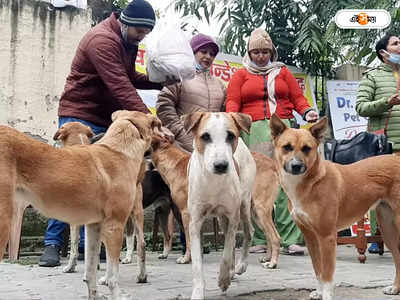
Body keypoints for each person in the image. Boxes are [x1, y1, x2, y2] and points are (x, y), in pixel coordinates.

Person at [39, 0, 171, 267]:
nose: (142, 37)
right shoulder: (102, 40)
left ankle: (90, 246)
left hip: (107, 117)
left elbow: (129, 76)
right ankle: (52, 244)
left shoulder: (127, 41)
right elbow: (120, 85)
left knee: (102, 184)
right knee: (67, 179)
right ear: (125, 22)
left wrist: (160, 81)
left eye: (146, 33)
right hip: (80, 112)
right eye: (139, 31)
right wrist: (151, 121)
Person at [225, 28, 318, 255]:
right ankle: (260, 236)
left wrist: (307, 113)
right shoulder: (240, 75)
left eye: (265, 52)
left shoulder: (283, 72)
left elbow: (298, 98)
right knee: (257, 184)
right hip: (253, 130)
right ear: (249, 52)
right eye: (255, 52)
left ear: (272, 52)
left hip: (284, 130)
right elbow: (232, 103)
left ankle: (291, 238)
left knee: (288, 181)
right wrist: (230, 126)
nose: (260, 56)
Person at [156, 33, 226, 252]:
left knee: (206, 193)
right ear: (193, 52)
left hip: (209, 150)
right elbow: (164, 106)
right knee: (183, 195)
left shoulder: (219, 85)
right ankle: (187, 240)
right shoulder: (180, 77)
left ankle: (197, 239)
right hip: (181, 146)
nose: (207, 57)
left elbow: (222, 116)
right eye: (203, 52)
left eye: (212, 54)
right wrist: (181, 133)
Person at [356, 33, 400, 254]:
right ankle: (378, 237)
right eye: (395, 43)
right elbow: (361, 107)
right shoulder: (372, 77)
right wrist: (387, 102)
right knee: (381, 192)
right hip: (386, 148)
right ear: (383, 53)